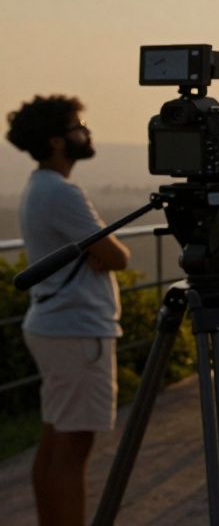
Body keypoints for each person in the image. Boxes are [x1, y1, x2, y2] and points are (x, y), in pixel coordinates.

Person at [7, 96, 131, 526]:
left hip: (53, 322)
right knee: (74, 447)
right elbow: (116, 256)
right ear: (58, 140)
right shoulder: (63, 192)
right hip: (76, 329)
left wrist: (100, 251)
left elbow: (102, 251)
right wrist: (105, 253)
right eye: (79, 127)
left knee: (55, 439)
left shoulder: (39, 186)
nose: (87, 134)